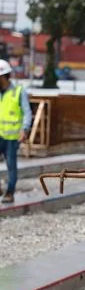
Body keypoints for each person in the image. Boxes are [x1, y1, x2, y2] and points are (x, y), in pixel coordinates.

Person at [0, 59, 32, 203]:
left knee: (11, 166)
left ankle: (10, 192)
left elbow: (27, 112)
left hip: (13, 138)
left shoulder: (18, 92)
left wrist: (24, 129)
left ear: (4, 77)